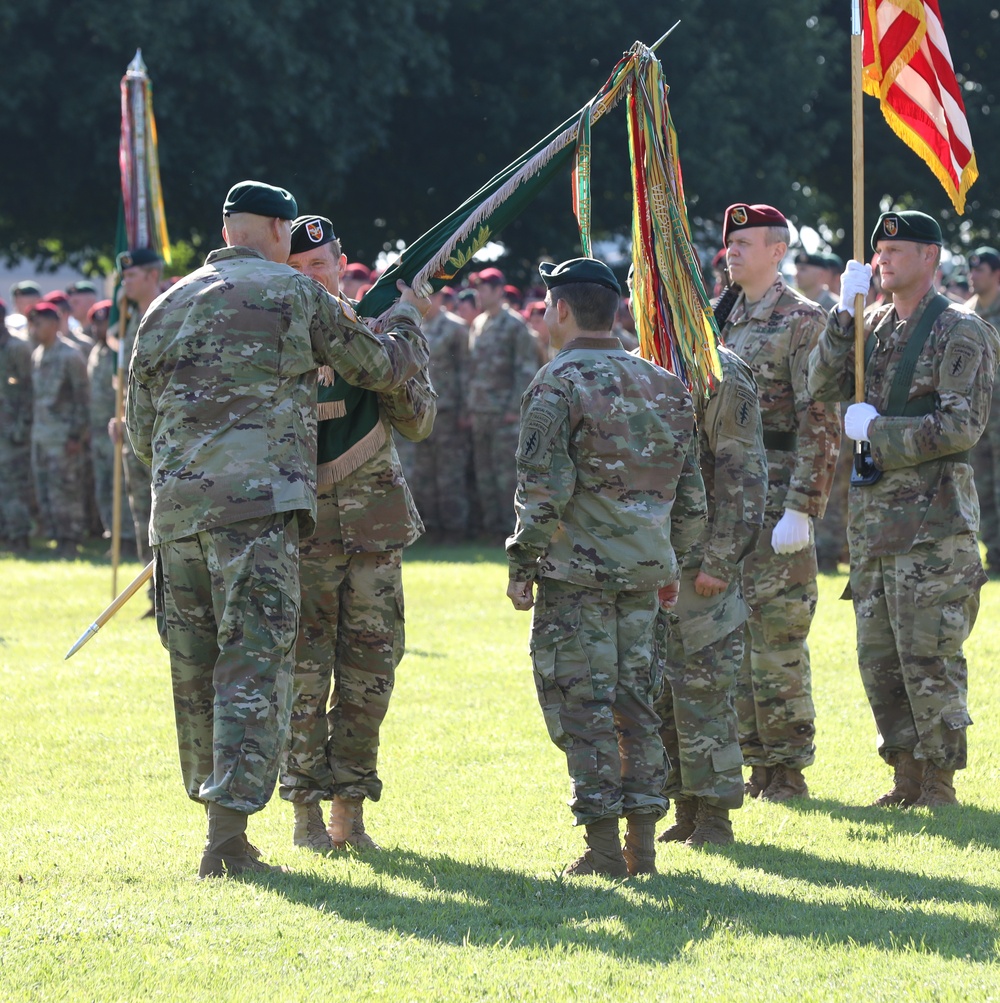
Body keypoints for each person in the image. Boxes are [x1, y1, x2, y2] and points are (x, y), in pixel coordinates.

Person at [124, 180, 430, 878]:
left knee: (195, 669)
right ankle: (229, 839)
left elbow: (141, 433)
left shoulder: (166, 305)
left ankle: (216, 822)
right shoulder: (296, 296)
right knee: (254, 664)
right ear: (276, 229)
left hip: (175, 514)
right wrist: (408, 319)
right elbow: (376, 366)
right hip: (256, 512)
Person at [506, 256, 707, 877]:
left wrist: (522, 562)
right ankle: (641, 848)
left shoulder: (557, 383)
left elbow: (542, 490)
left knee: (583, 706)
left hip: (578, 578)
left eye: (546, 306)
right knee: (638, 706)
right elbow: (692, 496)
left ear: (560, 309)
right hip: (646, 575)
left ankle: (600, 851)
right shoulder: (666, 384)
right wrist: (676, 560)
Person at [808, 210, 1000, 808]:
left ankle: (938, 783)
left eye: (899, 250)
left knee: (929, 653)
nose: (883, 258)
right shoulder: (873, 323)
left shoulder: (960, 330)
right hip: (874, 523)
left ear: (930, 260)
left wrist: (881, 431)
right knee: (880, 657)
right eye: (878, 250)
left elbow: (962, 425)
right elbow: (819, 385)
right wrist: (843, 315)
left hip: (933, 523)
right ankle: (904, 777)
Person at [278, 214, 435, 852]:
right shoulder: (273, 341)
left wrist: (392, 358)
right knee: (304, 673)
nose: (312, 277)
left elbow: (420, 420)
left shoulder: (373, 334)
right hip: (301, 530)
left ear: (341, 263)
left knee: (371, 670)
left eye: (321, 265)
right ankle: (306, 813)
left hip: (373, 528)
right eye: (298, 269)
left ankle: (351, 811)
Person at [721, 203, 841, 801]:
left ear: (777, 250)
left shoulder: (803, 320)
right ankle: (756, 763)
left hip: (776, 496)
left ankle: (788, 769)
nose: (733, 250)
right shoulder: (724, 315)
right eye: (731, 242)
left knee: (779, 636)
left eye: (746, 241)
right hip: (729, 499)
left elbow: (819, 418)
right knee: (735, 635)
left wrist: (804, 505)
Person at [655, 342, 767, 846]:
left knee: (704, 692)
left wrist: (721, 560)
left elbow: (742, 472)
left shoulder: (718, 369)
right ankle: (685, 808)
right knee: (662, 695)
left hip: (702, 563)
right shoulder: (643, 358)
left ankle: (715, 816)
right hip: (654, 563)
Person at [465, 267, 540, 541]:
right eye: (477, 289)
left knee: (506, 475)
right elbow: (472, 370)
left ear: (499, 290)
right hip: (481, 411)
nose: (479, 294)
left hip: (504, 414)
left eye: (483, 289)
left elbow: (525, 370)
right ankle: (491, 528)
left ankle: (511, 530)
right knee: (484, 474)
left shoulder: (515, 325)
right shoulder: (479, 323)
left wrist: (513, 410)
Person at [408, 286, 470, 541]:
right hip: (418, 412)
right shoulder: (413, 326)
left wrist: (466, 409)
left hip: (447, 412)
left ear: (441, 298)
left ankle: (455, 529)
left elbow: (467, 371)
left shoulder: (456, 328)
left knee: (449, 474)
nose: (427, 300)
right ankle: (429, 528)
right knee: (422, 473)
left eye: (432, 296)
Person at [28, 302, 90, 557]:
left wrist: (76, 435)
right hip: (42, 436)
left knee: (65, 489)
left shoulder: (70, 356)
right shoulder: (38, 355)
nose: (33, 329)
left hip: (64, 437)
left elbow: (82, 398)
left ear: (54, 325)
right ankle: (55, 537)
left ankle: (70, 539)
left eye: (38, 323)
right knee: (44, 489)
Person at [963, 247, 1000, 573]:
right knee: (983, 486)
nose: (973, 276)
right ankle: (995, 552)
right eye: (971, 270)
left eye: (981, 270)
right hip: (977, 419)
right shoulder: (965, 314)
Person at [0, 298, 33, 552]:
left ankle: (19, 537)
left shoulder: (18, 348)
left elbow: (28, 390)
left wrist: (22, 426)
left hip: (13, 430)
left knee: (14, 485)